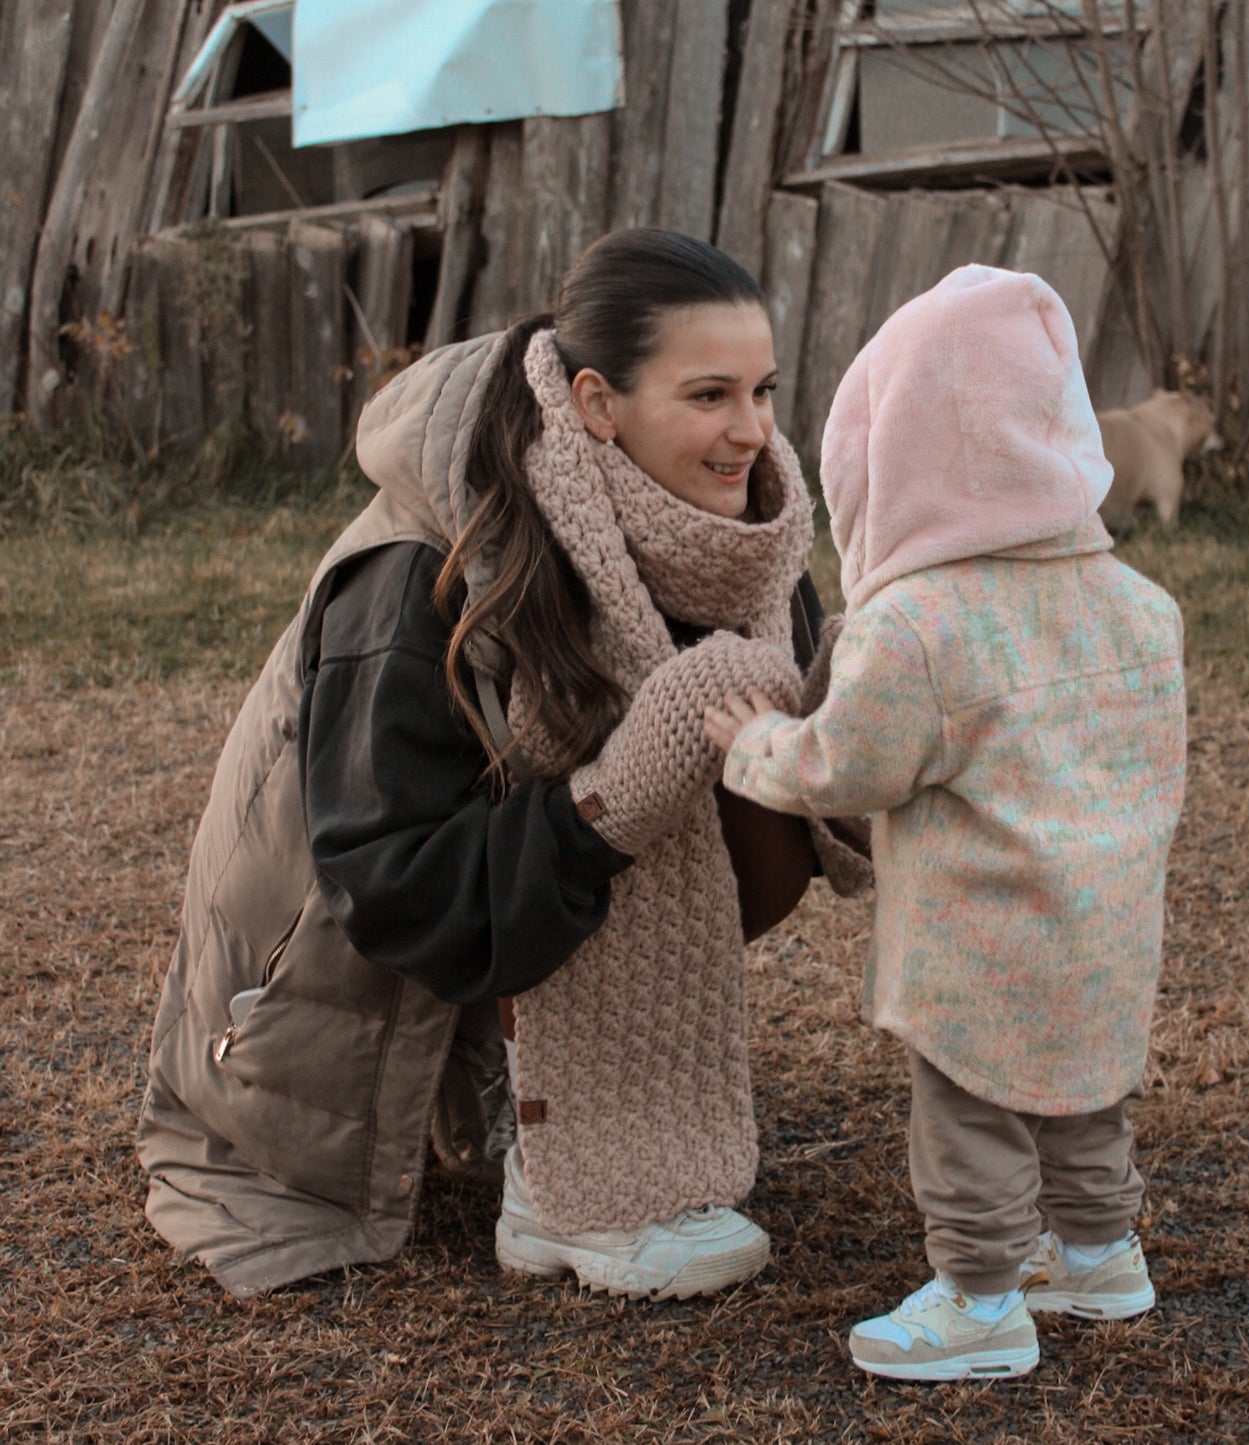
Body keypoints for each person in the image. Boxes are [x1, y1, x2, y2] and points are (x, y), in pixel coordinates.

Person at [136, 228, 869, 1301]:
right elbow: (391, 878)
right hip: (332, 965)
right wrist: (612, 802)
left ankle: (565, 1085)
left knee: (744, 743)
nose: (751, 432)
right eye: (708, 395)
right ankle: (556, 1170)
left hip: (516, 886)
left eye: (762, 390)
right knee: (637, 748)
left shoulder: (741, 540)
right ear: (595, 403)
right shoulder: (416, 571)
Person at [705, 265, 1188, 1380]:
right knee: (1081, 1097)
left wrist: (747, 743)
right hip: (1105, 924)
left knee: (969, 1116)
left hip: (978, 940)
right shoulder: (1138, 606)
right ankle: (1101, 1252)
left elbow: (843, 767)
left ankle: (978, 1299)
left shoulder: (919, 625)